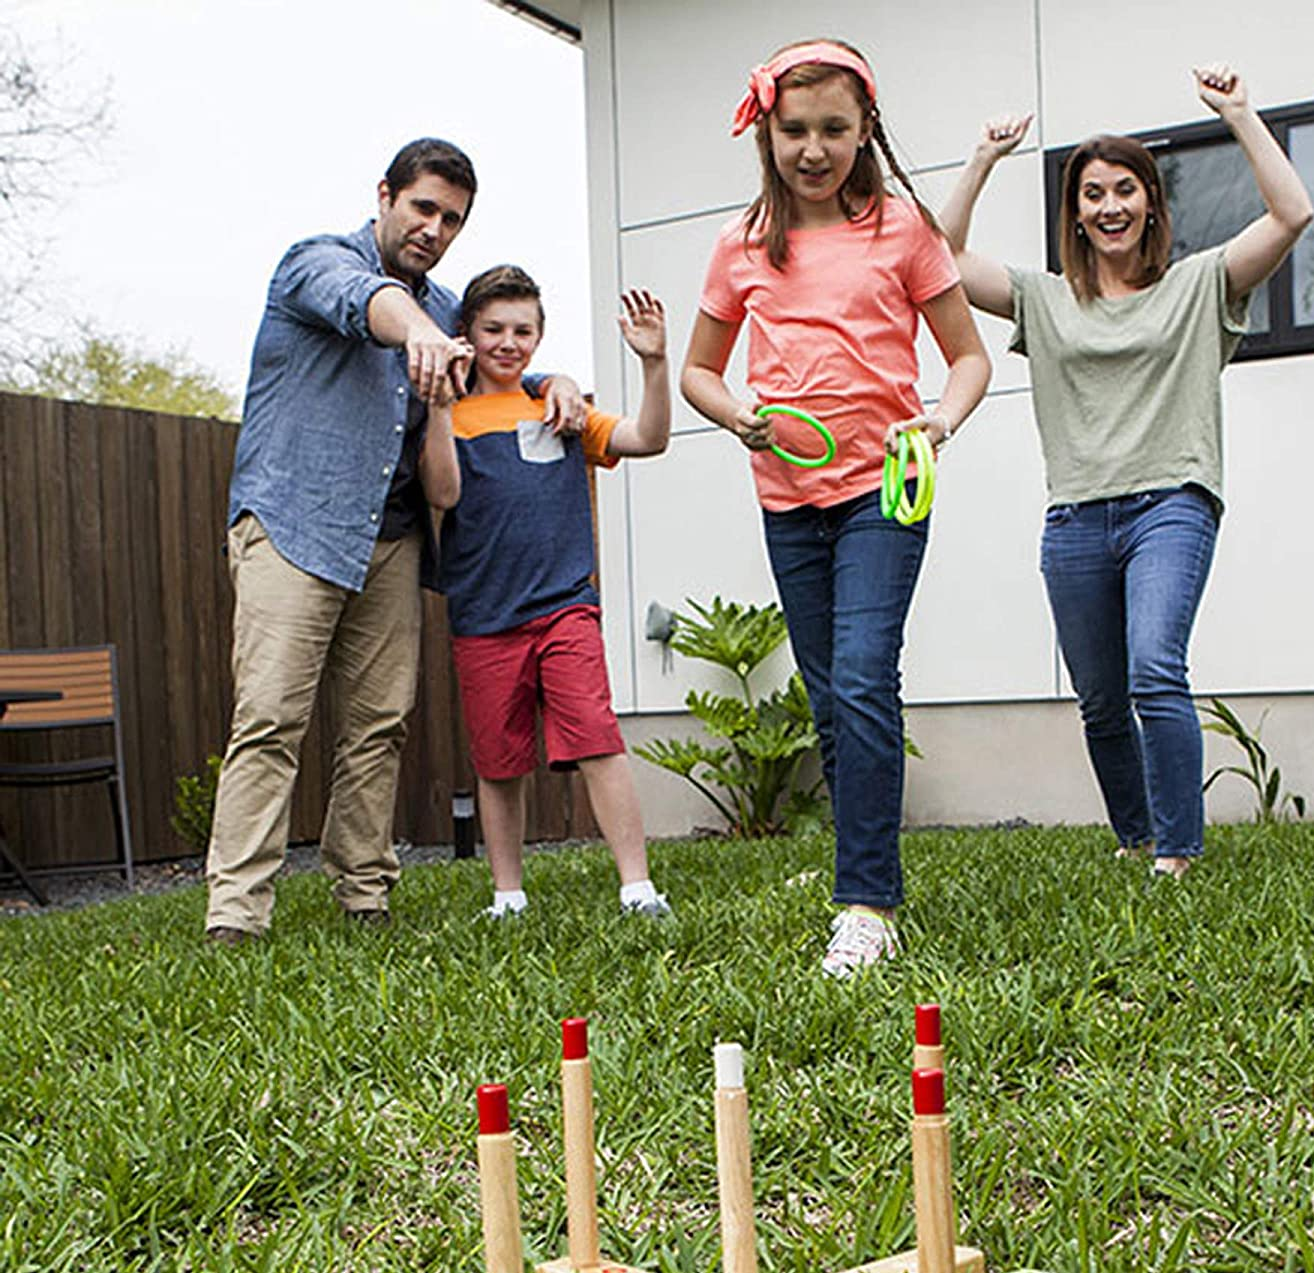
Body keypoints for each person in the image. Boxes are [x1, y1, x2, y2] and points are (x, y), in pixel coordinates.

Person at [204, 139, 583, 943]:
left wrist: (557, 383)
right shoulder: (313, 264)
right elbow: (366, 301)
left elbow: (501, 364)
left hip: (393, 540)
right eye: (423, 208)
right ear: (385, 196)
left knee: (379, 725)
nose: (434, 229)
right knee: (270, 719)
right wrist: (419, 331)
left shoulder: (447, 308)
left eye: (452, 219)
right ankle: (235, 913)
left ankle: (365, 892)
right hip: (295, 526)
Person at [939, 67, 1314, 877]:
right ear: (1075, 213)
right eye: (1092, 193)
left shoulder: (1199, 285)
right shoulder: (1044, 299)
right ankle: (1136, 835)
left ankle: (1175, 852)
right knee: (1103, 702)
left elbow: (1292, 213)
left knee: (1154, 669)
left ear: (1150, 202)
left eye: (1124, 189)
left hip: (1171, 503)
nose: (1109, 206)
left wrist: (1239, 115)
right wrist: (982, 160)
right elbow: (940, 258)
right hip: (1075, 517)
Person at [681, 39, 991, 976]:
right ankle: (859, 864)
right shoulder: (742, 244)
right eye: (794, 130)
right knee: (831, 702)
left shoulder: (902, 230)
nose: (813, 149)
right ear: (768, 135)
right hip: (789, 500)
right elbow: (699, 372)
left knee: (861, 679)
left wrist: (939, 420)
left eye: (833, 129)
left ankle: (866, 904)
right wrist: (736, 414)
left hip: (884, 490)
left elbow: (968, 356)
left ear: (865, 132)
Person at [419, 265, 672, 920]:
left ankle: (638, 888)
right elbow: (442, 493)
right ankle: (508, 896)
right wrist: (439, 409)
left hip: (565, 609)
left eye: (523, 331)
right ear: (466, 334)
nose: (509, 343)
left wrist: (653, 363)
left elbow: (648, 439)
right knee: (499, 764)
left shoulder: (560, 408)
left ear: (539, 336)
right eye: (493, 329)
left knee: (598, 739)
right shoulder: (448, 416)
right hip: (483, 619)